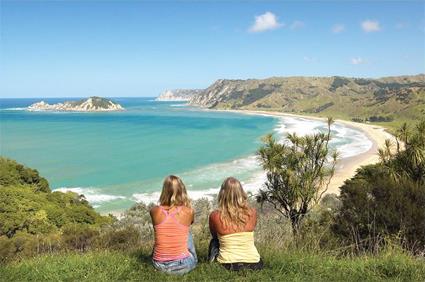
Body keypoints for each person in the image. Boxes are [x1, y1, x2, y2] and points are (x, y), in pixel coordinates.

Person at [208, 177, 263, 271]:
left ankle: (210, 261)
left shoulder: (215, 215)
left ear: (222, 194)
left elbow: (215, 236)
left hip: (227, 265)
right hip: (254, 264)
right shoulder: (252, 212)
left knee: (214, 241)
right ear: (241, 193)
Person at [150, 175, 197, 275]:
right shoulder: (188, 211)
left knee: (162, 231)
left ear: (164, 191)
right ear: (182, 190)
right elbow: (191, 222)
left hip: (159, 265)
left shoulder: (154, 211)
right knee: (186, 231)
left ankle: (161, 255)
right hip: (183, 264)